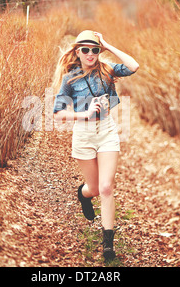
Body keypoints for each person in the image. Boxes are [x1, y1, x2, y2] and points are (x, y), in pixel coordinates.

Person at [52, 30, 139, 261]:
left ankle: (108, 245)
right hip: (84, 135)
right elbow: (59, 114)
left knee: (107, 187)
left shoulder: (108, 69)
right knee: (94, 188)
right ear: (78, 52)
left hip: (107, 131)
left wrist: (108, 45)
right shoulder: (70, 78)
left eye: (95, 50)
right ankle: (83, 194)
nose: (91, 54)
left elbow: (134, 66)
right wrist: (85, 114)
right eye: (86, 50)